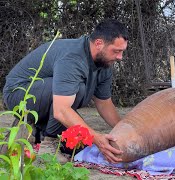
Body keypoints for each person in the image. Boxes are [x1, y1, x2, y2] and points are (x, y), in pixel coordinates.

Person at [2, 19, 128, 163]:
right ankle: (47, 144)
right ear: (99, 43)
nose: (120, 57)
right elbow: (61, 110)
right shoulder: (73, 57)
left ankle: (37, 130)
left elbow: (104, 104)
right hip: (20, 95)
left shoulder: (104, 64)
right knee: (78, 91)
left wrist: (128, 129)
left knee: (79, 146)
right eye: (116, 51)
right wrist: (97, 138)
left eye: (122, 51)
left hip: (51, 100)